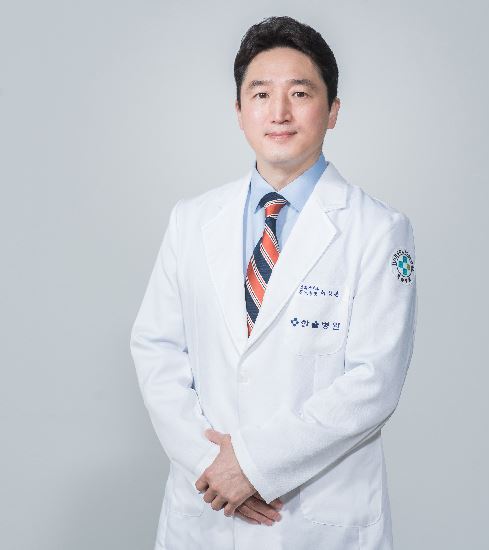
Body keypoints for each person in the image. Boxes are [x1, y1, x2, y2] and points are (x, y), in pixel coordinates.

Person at [130, 15, 417, 550]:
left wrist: (254, 465)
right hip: (206, 510)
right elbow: (157, 349)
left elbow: (373, 381)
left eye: (300, 93)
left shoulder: (379, 231)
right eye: (261, 94)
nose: (279, 112)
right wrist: (213, 465)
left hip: (315, 518)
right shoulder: (191, 220)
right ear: (239, 111)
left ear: (333, 110)